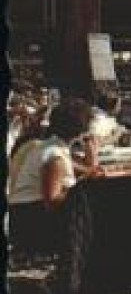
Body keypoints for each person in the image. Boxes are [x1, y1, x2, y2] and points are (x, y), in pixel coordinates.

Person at [8, 96, 97, 257]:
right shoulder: (55, 156)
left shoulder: (52, 145)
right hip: (31, 221)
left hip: (25, 215)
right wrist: (82, 188)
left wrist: (90, 155)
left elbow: (87, 169)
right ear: (81, 130)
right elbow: (52, 201)